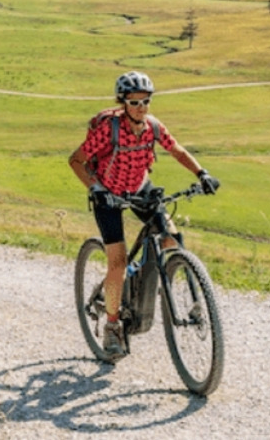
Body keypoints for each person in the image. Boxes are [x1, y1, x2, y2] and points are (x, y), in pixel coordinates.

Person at [68, 71, 219, 361]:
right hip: (108, 195)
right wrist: (95, 188)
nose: (140, 107)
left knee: (172, 240)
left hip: (139, 187)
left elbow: (176, 149)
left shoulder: (152, 127)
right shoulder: (108, 129)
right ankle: (112, 326)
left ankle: (183, 293)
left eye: (145, 101)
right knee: (118, 262)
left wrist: (202, 173)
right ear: (123, 102)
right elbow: (76, 160)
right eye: (134, 102)